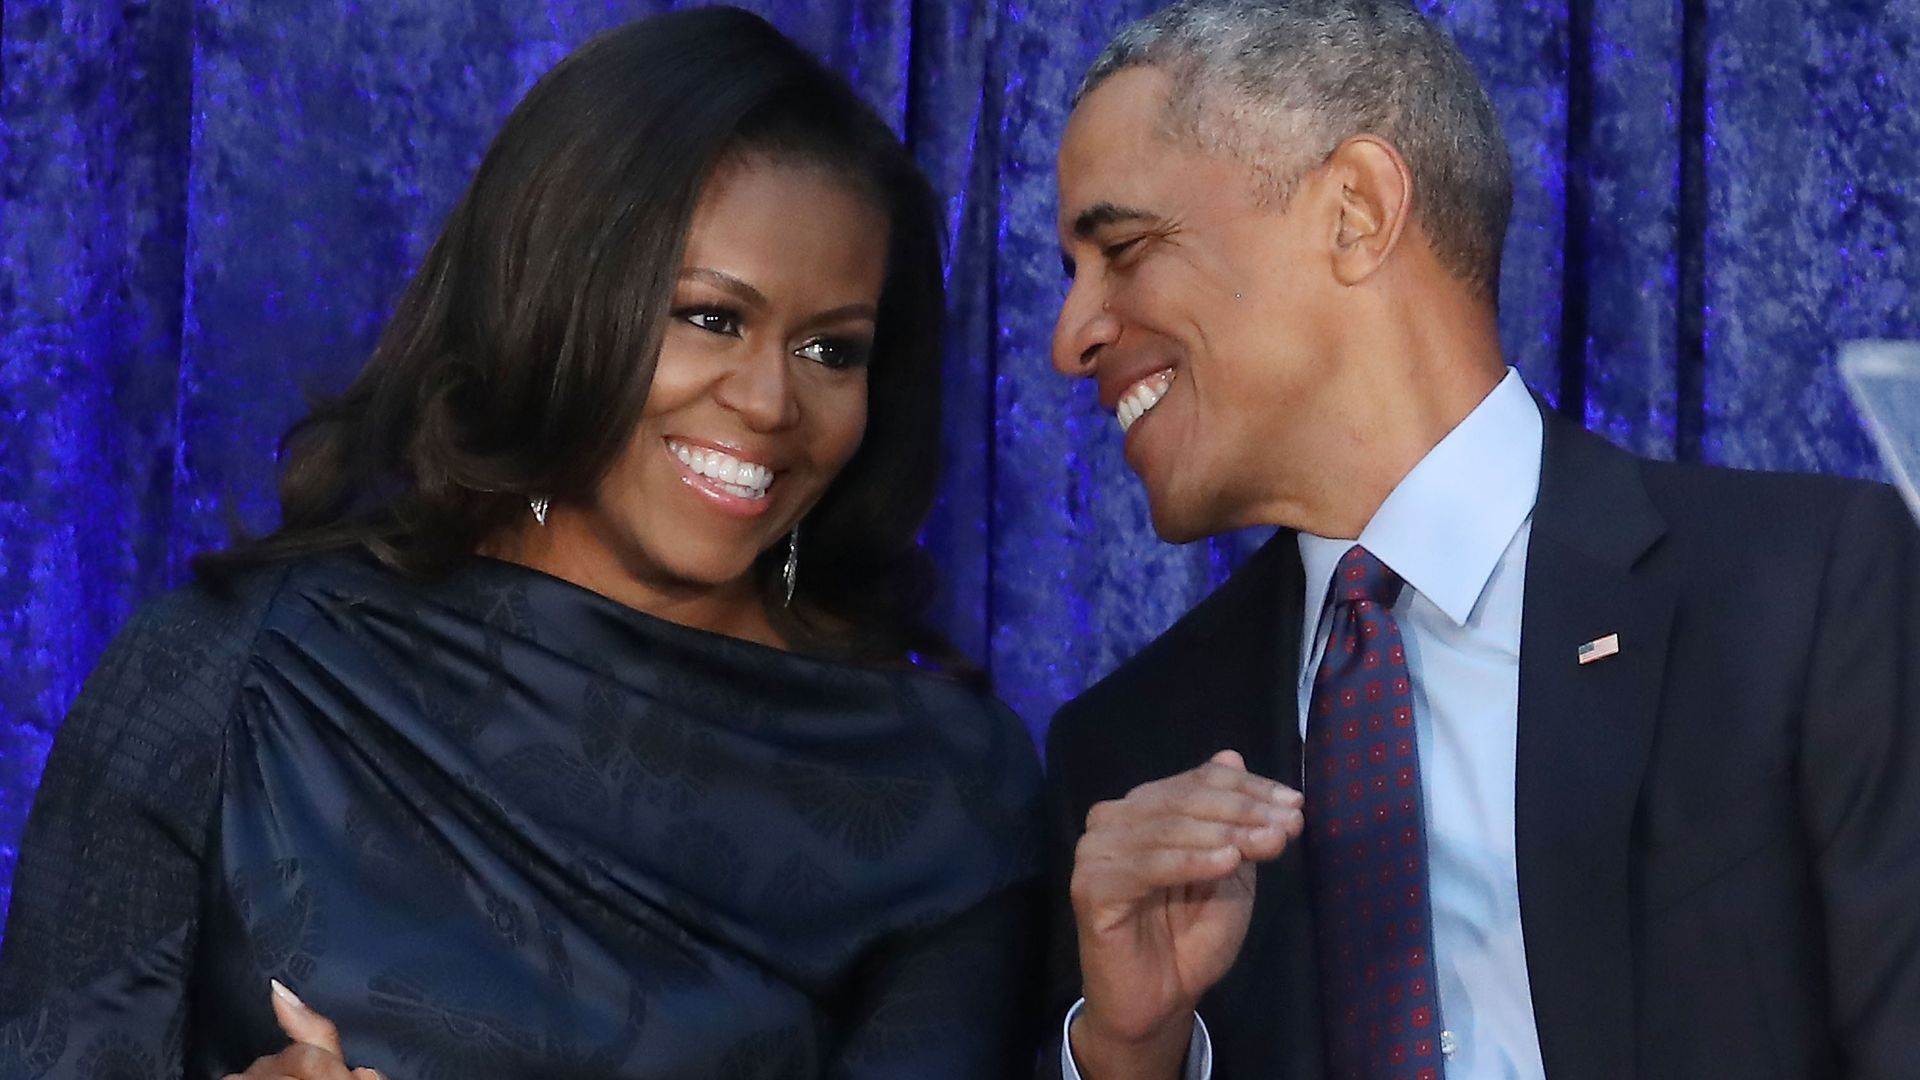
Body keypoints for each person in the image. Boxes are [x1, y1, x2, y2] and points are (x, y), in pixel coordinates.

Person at [0, 8, 1044, 1078]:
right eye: (709, 318)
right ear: (553, 302)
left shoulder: (940, 792)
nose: (772, 400)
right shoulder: (231, 670)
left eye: (832, 348)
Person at [1040, 2, 1920, 1079]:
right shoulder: (1130, 753)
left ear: (1356, 211)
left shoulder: (1807, 594)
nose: (1070, 337)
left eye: (1123, 249)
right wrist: (1135, 1053)